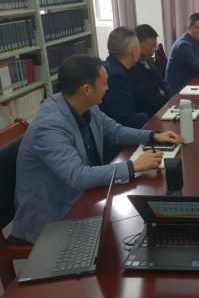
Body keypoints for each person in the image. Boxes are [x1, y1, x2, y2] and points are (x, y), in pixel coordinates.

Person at [11, 55, 181, 244]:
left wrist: (152, 136)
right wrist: (133, 166)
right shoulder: (49, 126)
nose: (108, 88)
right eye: (105, 83)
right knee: (126, 238)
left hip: (84, 198)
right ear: (87, 89)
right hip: (53, 218)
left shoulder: (84, 105)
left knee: (132, 229)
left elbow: (114, 131)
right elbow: (78, 176)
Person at [100, 27, 149, 129]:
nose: (140, 50)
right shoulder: (116, 76)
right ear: (133, 51)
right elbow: (125, 119)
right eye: (138, 47)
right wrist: (150, 116)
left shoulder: (113, 66)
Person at [165, 13, 199, 92]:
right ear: (189, 28)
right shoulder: (183, 45)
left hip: (192, 84)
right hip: (178, 90)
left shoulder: (197, 40)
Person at [128, 24, 174, 117]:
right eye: (152, 46)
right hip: (150, 113)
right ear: (137, 44)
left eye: (155, 45)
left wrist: (173, 97)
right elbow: (146, 98)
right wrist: (170, 101)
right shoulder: (132, 67)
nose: (154, 49)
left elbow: (163, 84)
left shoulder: (148, 60)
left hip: (163, 106)